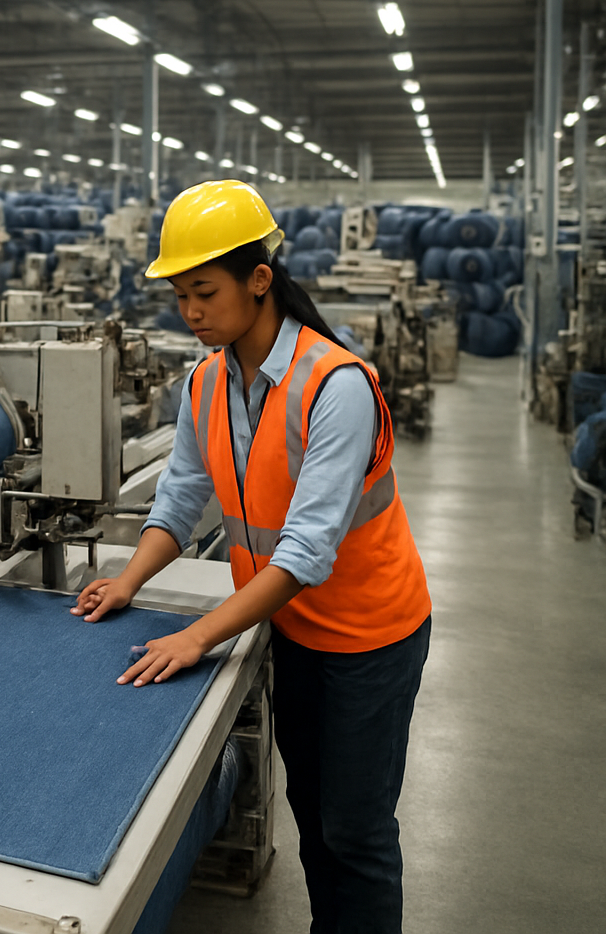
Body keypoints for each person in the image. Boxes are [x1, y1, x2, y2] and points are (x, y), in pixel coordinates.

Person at [73, 180, 431, 933]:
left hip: (370, 637)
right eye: (180, 296)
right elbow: (179, 501)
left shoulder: (337, 386)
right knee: (313, 813)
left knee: (356, 833)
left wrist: (198, 634)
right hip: (292, 628)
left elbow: (305, 552)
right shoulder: (207, 381)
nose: (190, 312)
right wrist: (127, 581)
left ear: (259, 279)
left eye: (204, 292)